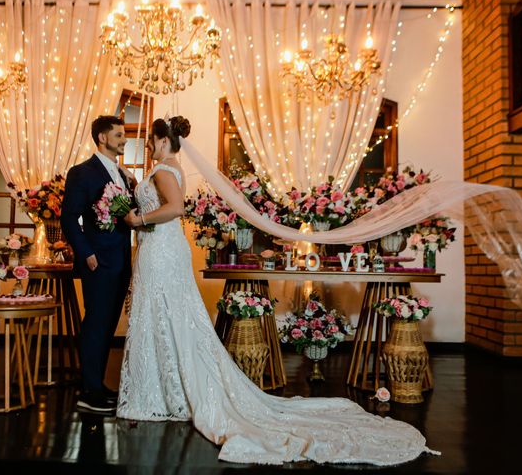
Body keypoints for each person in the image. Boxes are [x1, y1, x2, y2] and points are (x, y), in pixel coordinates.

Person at [118, 116, 438, 465]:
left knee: (168, 316)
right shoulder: (167, 167)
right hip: (160, 252)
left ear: (164, 140)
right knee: (166, 317)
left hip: (161, 251)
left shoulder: (164, 169)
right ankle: (166, 388)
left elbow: (176, 207)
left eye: (151, 139)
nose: (147, 145)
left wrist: (139, 220)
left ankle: (164, 392)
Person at [61, 115, 136, 414]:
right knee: (94, 326)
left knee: (106, 328)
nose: (124, 139)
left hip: (120, 262)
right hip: (98, 262)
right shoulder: (82, 173)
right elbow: (68, 218)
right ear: (102, 138)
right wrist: (85, 253)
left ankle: (98, 385)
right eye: (119, 134)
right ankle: (87, 392)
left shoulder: (121, 173)